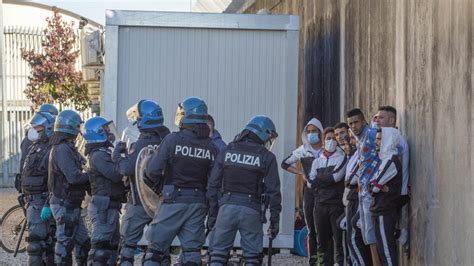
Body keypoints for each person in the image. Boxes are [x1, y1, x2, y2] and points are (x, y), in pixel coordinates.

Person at [142, 96, 219, 266]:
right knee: (192, 252)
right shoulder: (212, 147)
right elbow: (215, 181)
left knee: (154, 251)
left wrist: (158, 185)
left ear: (186, 116)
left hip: (173, 200)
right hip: (199, 203)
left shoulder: (172, 140)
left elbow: (153, 169)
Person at [207, 115, 281, 266]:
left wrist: (213, 216)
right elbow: (274, 192)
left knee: (217, 256)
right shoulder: (267, 157)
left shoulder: (227, 150)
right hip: (252, 211)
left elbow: (213, 185)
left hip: (226, 209)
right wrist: (274, 222)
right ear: (263, 133)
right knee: (252, 258)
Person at [112, 100, 170, 266]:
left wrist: (117, 154)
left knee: (127, 248)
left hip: (138, 202)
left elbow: (125, 169)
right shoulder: (167, 142)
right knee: (159, 250)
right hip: (162, 204)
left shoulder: (140, 144)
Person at [48, 110, 90, 265]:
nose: (80, 130)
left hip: (71, 205)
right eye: (78, 126)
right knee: (64, 245)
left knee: (84, 243)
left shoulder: (67, 147)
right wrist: (91, 175)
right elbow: (73, 177)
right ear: (72, 127)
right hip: (65, 205)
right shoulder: (62, 149)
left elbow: (84, 163)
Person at [281, 118, 323, 264]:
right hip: (310, 191)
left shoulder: (328, 148)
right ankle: (313, 260)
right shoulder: (303, 150)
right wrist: (301, 173)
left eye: (314, 131)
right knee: (310, 227)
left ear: (320, 132)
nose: (312, 134)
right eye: (309, 131)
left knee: (325, 227)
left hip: (327, 192)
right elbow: (284, 163)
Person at [83, 117, 124, 265]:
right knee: (100, 249)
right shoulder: (99, 155)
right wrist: (118, 155)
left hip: (109, 206)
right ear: (99, 133)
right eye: (107, 130)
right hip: (103, 208)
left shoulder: (102, 152)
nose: (110, 133)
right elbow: (116, 174)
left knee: (112, 247)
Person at [346, 108, 381, 265]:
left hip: (372, 193)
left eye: (356, 122)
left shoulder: (372, 134)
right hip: (363, 193)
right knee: (367, 234)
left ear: (364, 121)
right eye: (350, 124)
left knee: (372, 235)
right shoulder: (359, 139)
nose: (353, 126)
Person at [20, 112, 56, 265]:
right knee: (39, 243)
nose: (34, 131)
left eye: (38, 128)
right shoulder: (35, 147)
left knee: (39, 244)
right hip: (32, 201)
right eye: (34, 127)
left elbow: (54, 179)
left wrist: (48, 203)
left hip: (42, 201)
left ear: (48, 128)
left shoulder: (52, 149)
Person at [308, 127, 347, 265]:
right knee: (322, 240)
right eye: (328, 138)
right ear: (323, 141)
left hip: (336, 205)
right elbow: (309, 183)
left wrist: (319, 179)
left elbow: (336, 177)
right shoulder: (317, 161)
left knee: (338, 239)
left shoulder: (342, 158)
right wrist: (325, 179)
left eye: (333, 138)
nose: (331, 141)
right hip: (319, 205)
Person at [336, 123, 373, 266]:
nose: (348, 142)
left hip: (359, 198)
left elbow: (351, 179)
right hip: (350, 199)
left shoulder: (364, 152)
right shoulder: (351, 155)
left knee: (356, 238)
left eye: (351, 138)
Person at [375, 106, 410, 246]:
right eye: (376, 117)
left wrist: (376, 185)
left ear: (391, 120)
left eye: (381, 118)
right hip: (389, 193)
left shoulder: (397, 142)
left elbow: (392, 168)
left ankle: (400, 234)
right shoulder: (385, 139)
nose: (377, 120)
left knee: (385, 240)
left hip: (395, 194)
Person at [369, 127, 403, 266]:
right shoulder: (384, 160)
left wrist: (376, 186)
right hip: (379, 209)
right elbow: (372, 186)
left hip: (385, 210)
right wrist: (376, 186)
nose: (376, 142)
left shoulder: (391, 160)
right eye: (376, 139)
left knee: (387, 252)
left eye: (379, 139)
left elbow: (374, 187)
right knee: (382, 251)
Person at [17, 104, 59, 191]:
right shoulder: (39, 140)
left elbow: (23, 162)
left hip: (31, 184)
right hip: (39, 185)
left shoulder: (30, 139)